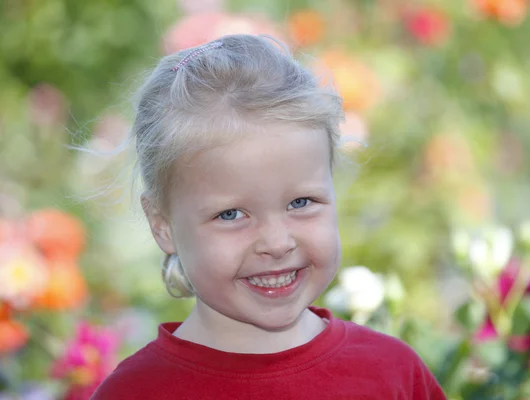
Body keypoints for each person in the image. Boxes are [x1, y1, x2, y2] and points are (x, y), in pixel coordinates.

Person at [91, 34, 446, 400]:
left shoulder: (392, 373)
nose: (277, 243)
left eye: (301, 202)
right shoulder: (136, 393)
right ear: (162, 224)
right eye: (231, 214)